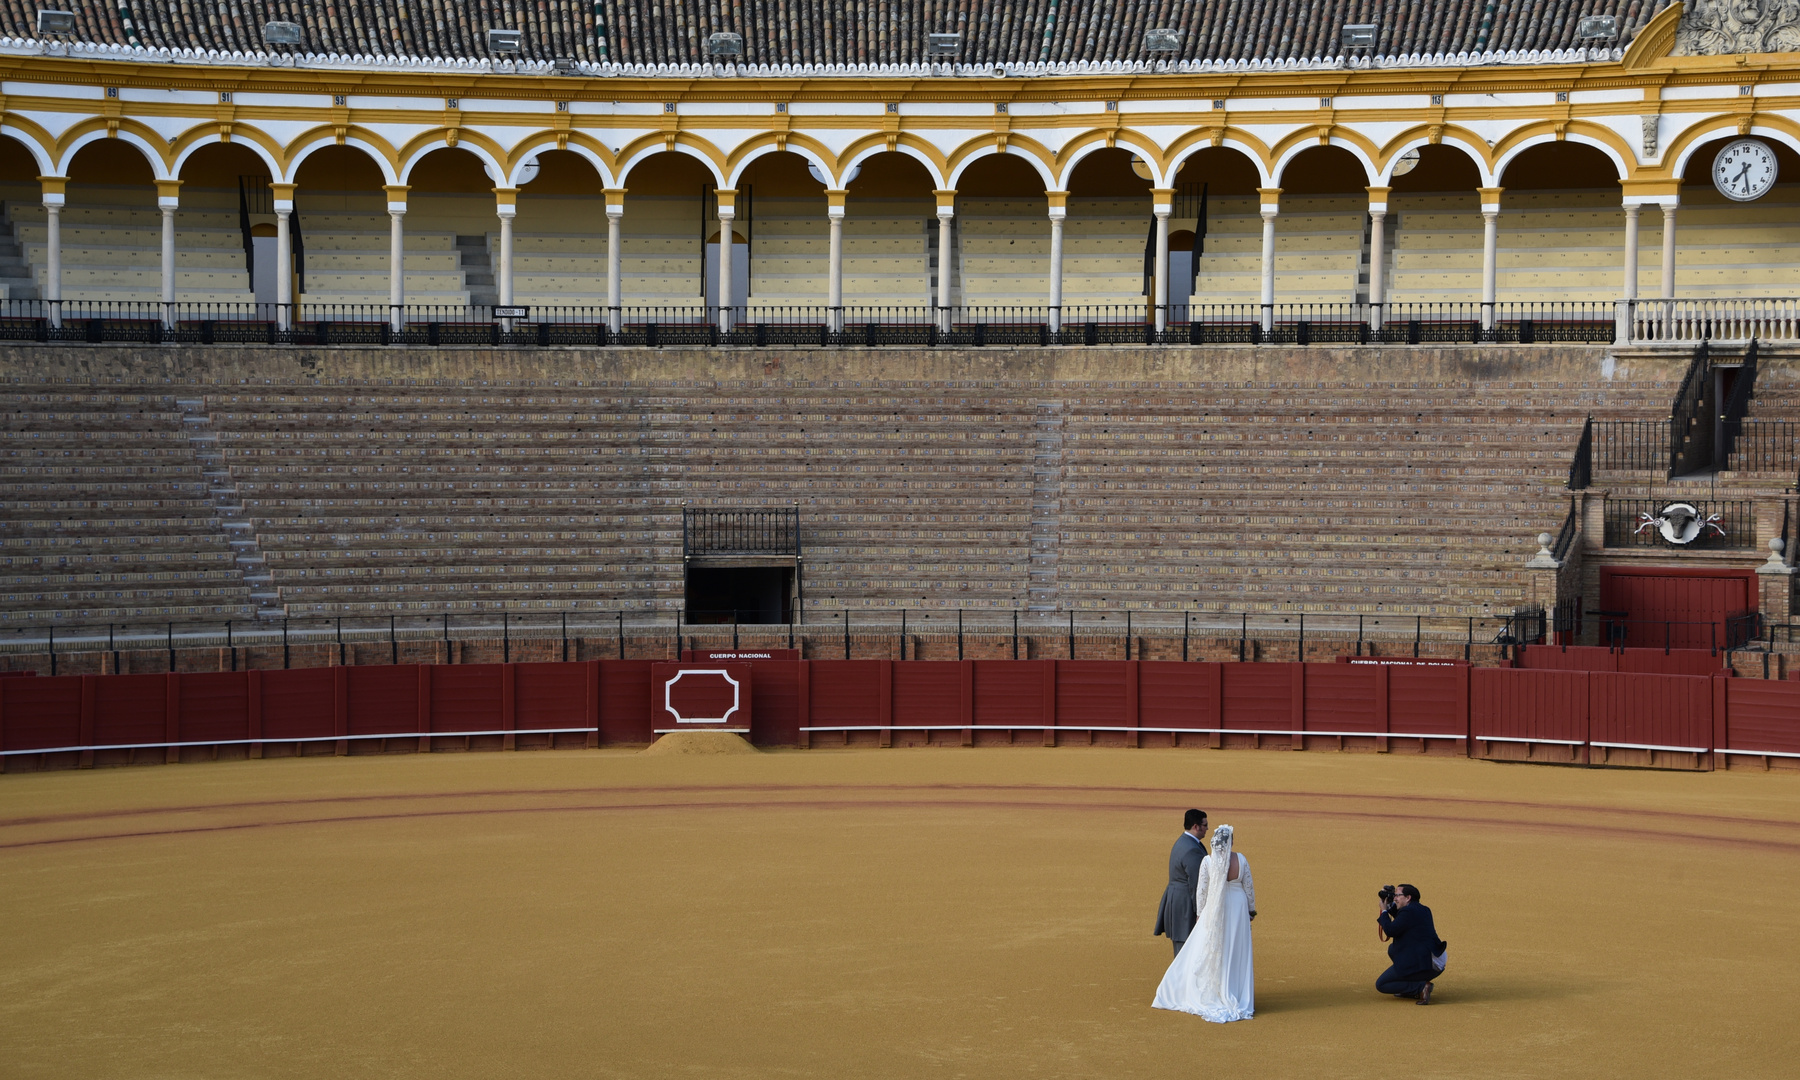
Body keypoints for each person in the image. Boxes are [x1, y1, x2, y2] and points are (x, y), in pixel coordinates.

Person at [1152, 824, 1256, 1022]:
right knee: (1235, 950)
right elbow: (1249, 888)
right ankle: (1235, 991)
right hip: (1238, 909)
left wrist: (1200, 915)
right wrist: (1251, 910)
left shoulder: (1208, 861)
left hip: (1215, 908)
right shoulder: (1241, 859)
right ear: (1231, 842)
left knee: (1211, 948)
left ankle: (1213, 990)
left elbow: (1202, 891)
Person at [1376, 884, 1445, 1005]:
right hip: (1436, 960)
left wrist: (1385, 910)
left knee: (1382, 984)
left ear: (1408, 898)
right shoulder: (1423, 909)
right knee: (1393, 949)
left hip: (1426, 963)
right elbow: (1402, 918)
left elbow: (1391, 930)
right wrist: (1389, 903)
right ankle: (1411, 988)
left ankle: (1421, 987)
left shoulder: (1408, 912)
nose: (1395, 898)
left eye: (1397, 895)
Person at [1153, 809, 1207, 956]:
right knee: (1186, 953)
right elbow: (1197, 884)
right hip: (1185, 906)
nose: (1207, 828)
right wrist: (1201, 912)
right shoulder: (1192, 849)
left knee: (1183, 951)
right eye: (1205, 825)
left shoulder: (1185, 842)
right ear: (1196, 826)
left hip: (1178, 901)